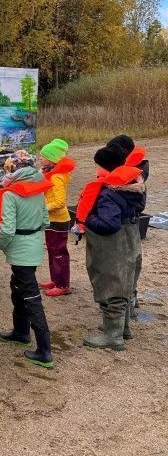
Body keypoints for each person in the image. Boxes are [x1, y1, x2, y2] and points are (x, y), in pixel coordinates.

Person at [76, 145, 146, 349]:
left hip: (113, 246)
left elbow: (108, 224)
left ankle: (113, 337)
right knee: (123, 283)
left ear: (106, 168)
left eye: (98, 166)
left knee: (110, 284)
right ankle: (123, 329)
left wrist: (88, 219)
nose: (96, 170)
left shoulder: (109, 193)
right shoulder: (131, 187)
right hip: (130, 240)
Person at [0, 151, 53, 369]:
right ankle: (20, 331)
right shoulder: (39, 188)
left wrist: (1, 245)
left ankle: (45, 349)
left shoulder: (11, 194)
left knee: (31, 295)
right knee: (18, 288)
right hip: (34, 245)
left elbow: (7, 229)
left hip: (19, 246)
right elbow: (45, 220)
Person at [106, 134, 149, 317]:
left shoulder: (135, 174)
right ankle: (130, 301)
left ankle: (126, 308)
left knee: (126, 267)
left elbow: (139, 200)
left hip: (128, 224)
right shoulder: (134, 168)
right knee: (129, 265)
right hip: (129, 223)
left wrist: (115, 189)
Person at [37, 138, 76, 297]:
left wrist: (43, 208)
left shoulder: (56, 177)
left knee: (59, 252)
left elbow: (60, 202)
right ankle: (55, 279)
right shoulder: (50, 173)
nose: (40, 158)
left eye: (43, 156)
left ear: (52, 159)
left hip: (58, 220)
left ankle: (62, 285)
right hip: (52, 220)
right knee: (52, 251)